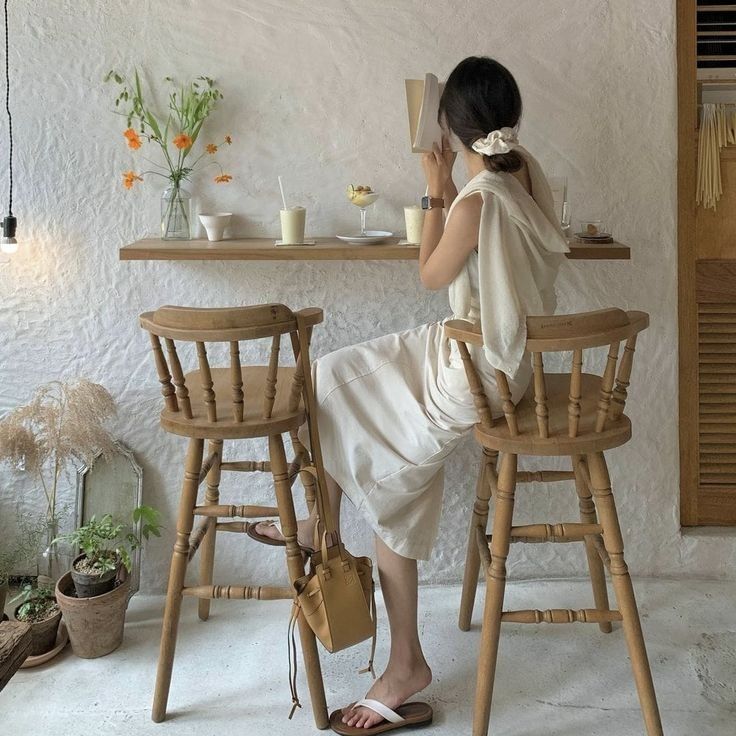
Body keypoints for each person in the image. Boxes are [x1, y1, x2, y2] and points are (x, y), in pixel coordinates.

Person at [250, 56, 569, 733]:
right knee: (330, 377)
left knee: (392, 479)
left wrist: (435, 185)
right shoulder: (526, 172)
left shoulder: (477, 198)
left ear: (452, 132)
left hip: (476, 370)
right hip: (497, 360)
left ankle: (403, 663)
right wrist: (456, 186)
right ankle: (324, 527)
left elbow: (429, 273)